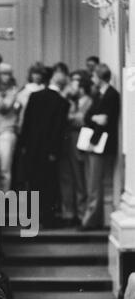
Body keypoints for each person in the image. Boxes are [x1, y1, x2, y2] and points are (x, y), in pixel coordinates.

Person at [19, 67, 70, 228]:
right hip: (49, 152)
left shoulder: (35, 96)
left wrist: (23, 145)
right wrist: (55, 151)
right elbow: (59, 130)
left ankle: (30, 220)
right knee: (49, 186)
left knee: (33, 184)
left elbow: (26, 124)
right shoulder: (62, 102)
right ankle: (47, 219)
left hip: (32, 148)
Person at [81, 63, 120, 230]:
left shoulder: (111, 95)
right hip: (97, 141)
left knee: (94, 183)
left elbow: (106, 122)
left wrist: (93, 140)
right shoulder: (100, 94)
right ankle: (95, 218)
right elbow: (89, 117)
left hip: (99, 143)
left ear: (100, 77)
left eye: (94, 76)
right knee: (94, 182)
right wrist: (97, 118)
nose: (92, 79)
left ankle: (90, 219)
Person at [59, 77, 93, 226]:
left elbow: (80, 119)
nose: (71, 87)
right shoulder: (72, 102)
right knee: (68, 176)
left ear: (81, 87)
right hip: (68, 141)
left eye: (74, 84)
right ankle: (70, 212)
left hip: (79, 139)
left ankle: (81, 213)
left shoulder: (89, 101)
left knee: (80, 178)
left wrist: (71, 117)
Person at [0, 63, 19, 192]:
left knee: (4, 169)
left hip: (6, 132)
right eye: (3, 73)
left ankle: (3, 201)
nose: (6, 77)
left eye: (8, 74)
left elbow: (3, 108)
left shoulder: (13, 90)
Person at [16, 63, 47, 130]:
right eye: (35, 73)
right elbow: (18, 105)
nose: (37, 76)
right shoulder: (26, 88)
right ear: (31, 75)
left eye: (39, 74)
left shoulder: (44, 88)